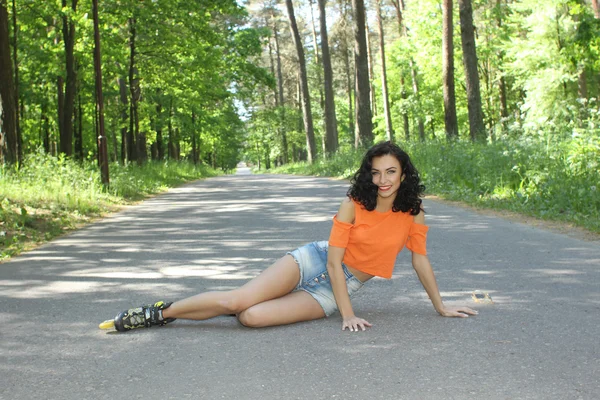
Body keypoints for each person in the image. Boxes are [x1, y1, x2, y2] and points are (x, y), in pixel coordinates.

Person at [105, 141, 477, 333]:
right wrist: (348, 316)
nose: (383, 180)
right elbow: (333, 261)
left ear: (404, 174)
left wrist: (440, 306)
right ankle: (159, 313)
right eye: (376, 172)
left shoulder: (413, 212)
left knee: (250, 317)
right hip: (314, 260)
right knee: (237, 300)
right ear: (369, 175)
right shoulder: (354, 202)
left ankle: (178, 310)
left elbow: (420, 259)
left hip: (338, 287)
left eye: (391, 172)